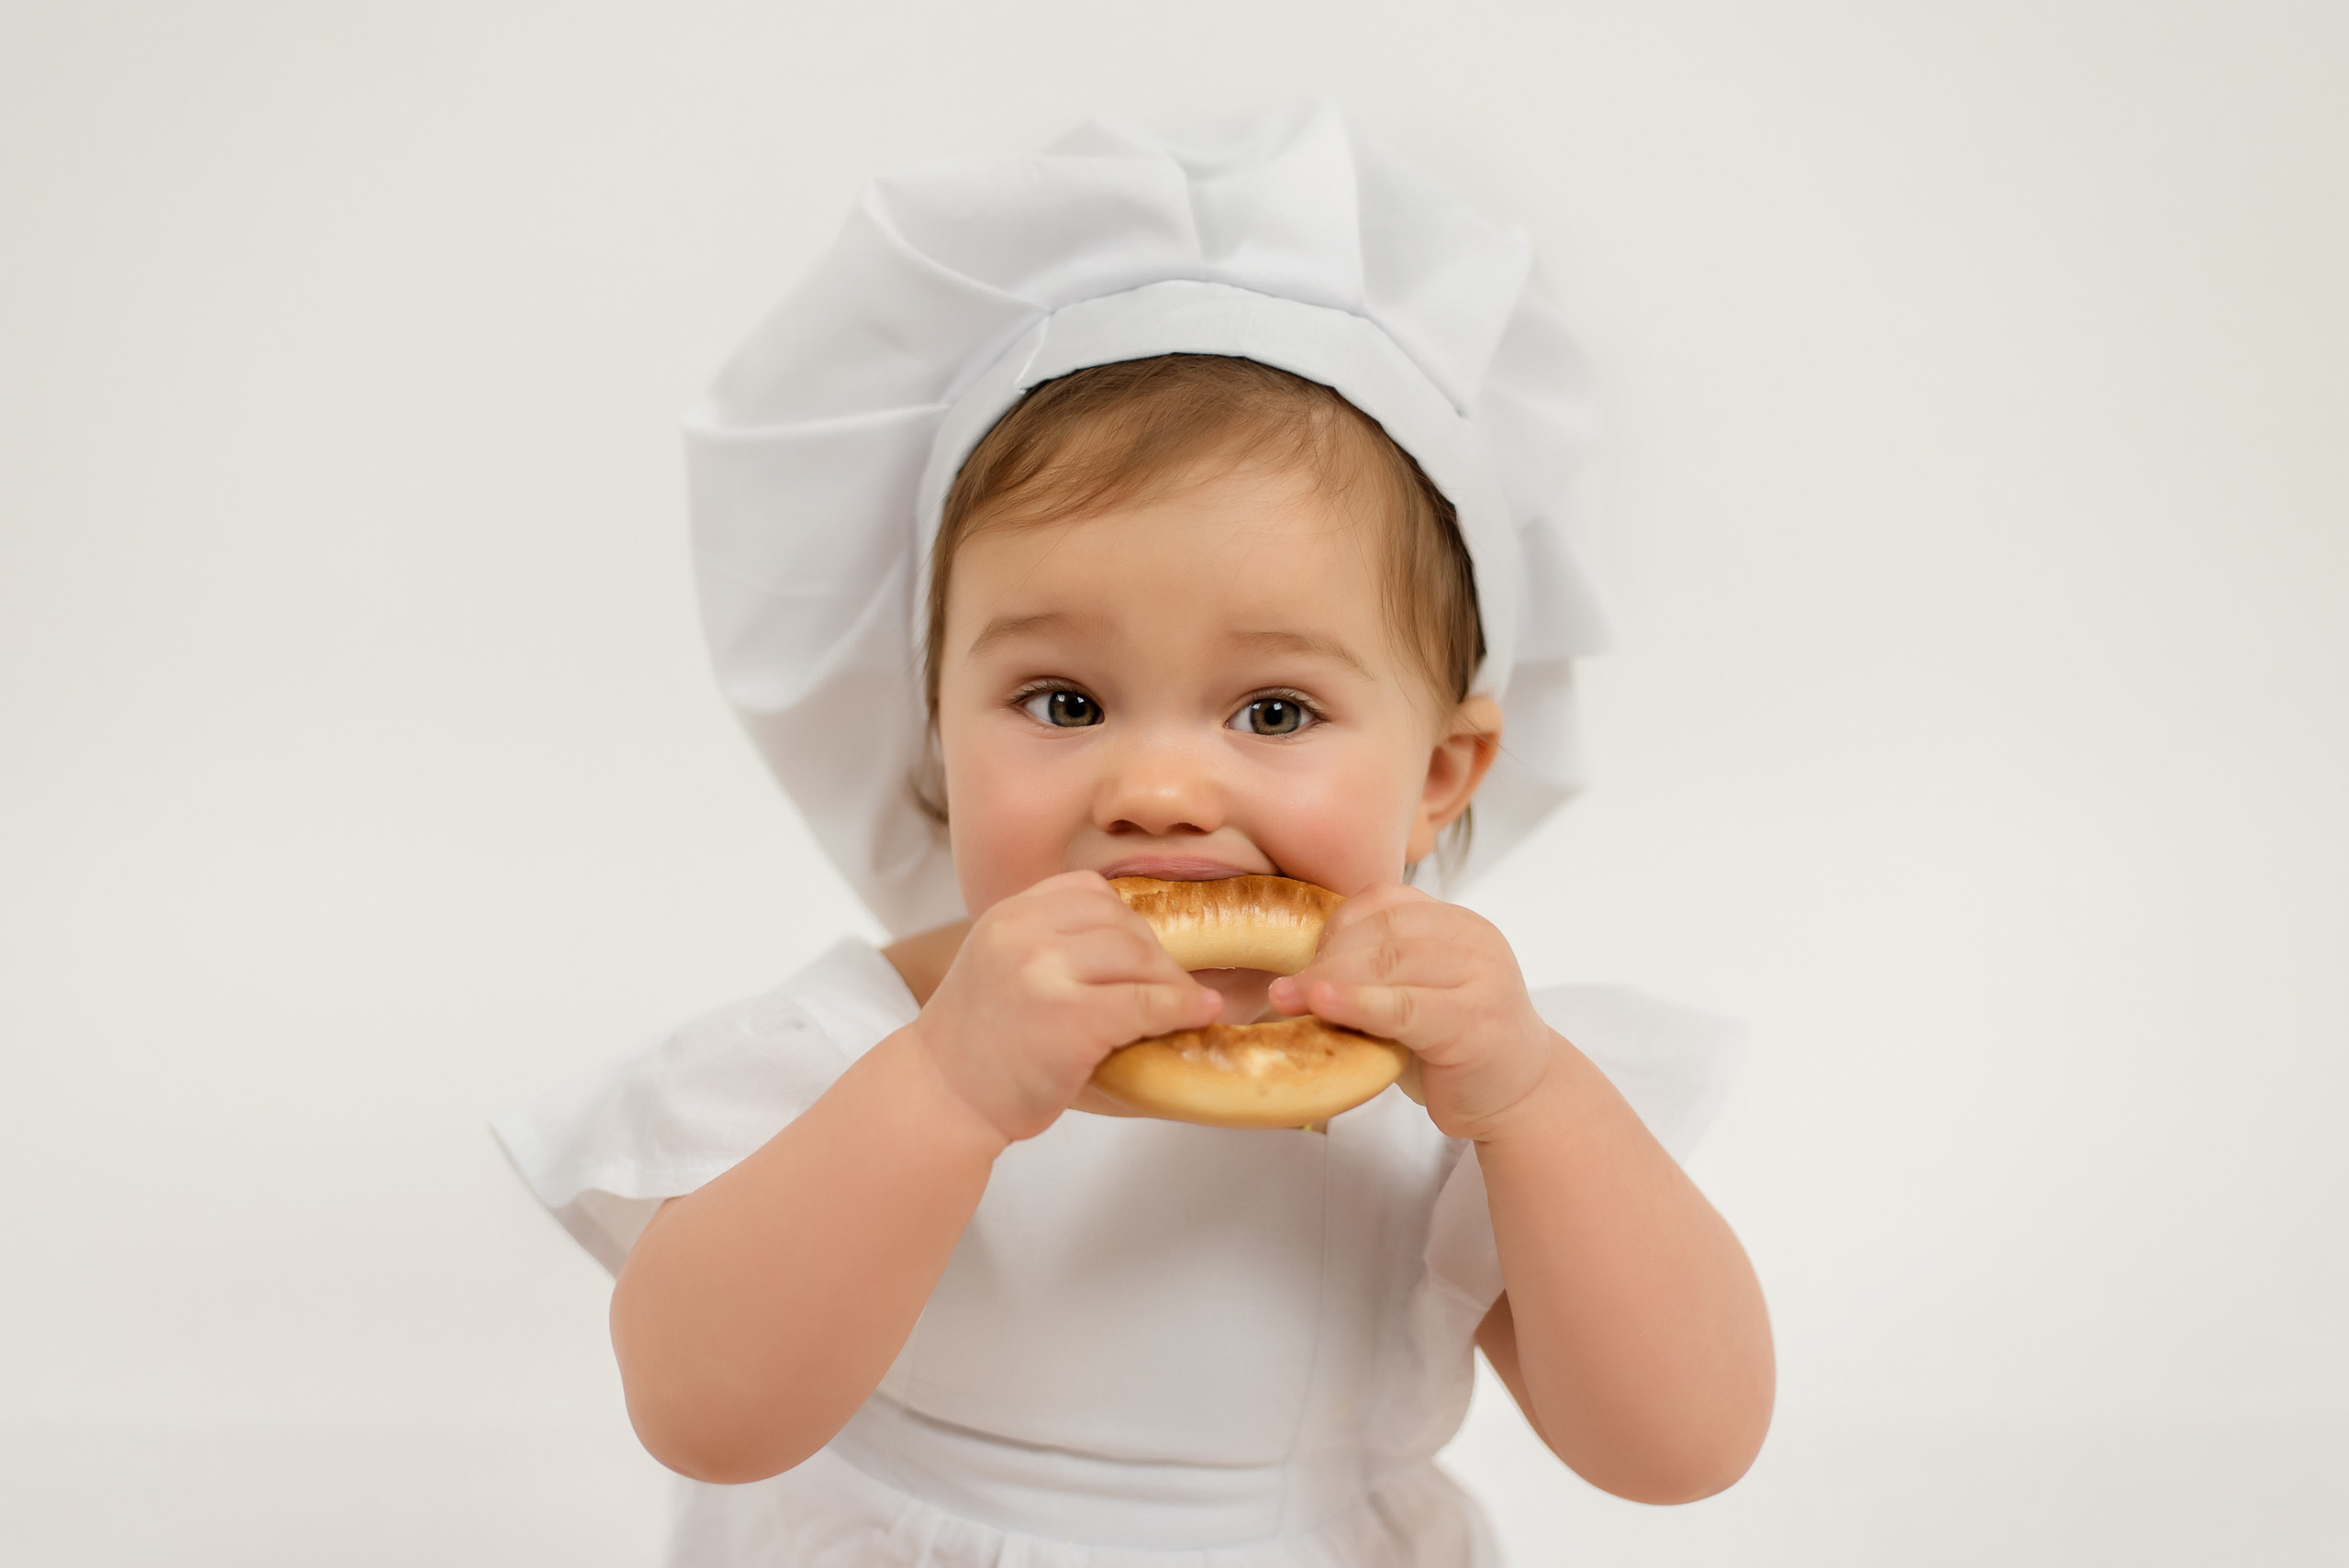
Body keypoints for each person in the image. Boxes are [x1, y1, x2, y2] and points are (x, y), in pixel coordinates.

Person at [495, 98, 1773, 1567]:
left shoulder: (1441, 1092)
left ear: (1442, 772)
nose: (1157, 788)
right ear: (935, 727)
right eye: (1063, 700)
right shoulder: (854, 1048)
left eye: (1275, 711)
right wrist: (948, 1087)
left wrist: (1537, 1101)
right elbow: (703, 1409)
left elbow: (1683, 1446)